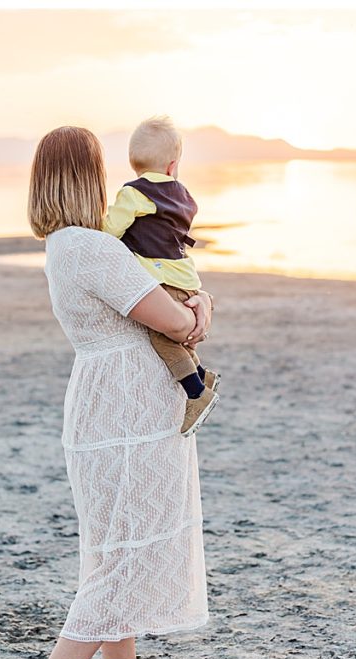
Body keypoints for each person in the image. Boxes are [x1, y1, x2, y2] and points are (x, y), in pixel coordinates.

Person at [9, 126, 212, 659]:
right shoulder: (91, 248)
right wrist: (202, 305)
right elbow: (174, 320)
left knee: (115, 542)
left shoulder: (67, 245)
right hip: (125, 415)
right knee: (129, 551)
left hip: (113, 408)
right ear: (86, 177)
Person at [103, 115, 220, 436]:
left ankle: (196, 392)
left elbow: (110, 230)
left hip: (161, 279)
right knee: (177, 336)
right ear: (172, 166)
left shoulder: (134, 193)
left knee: (162, 337)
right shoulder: (183, 194)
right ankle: (201, 374)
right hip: (186, 278)